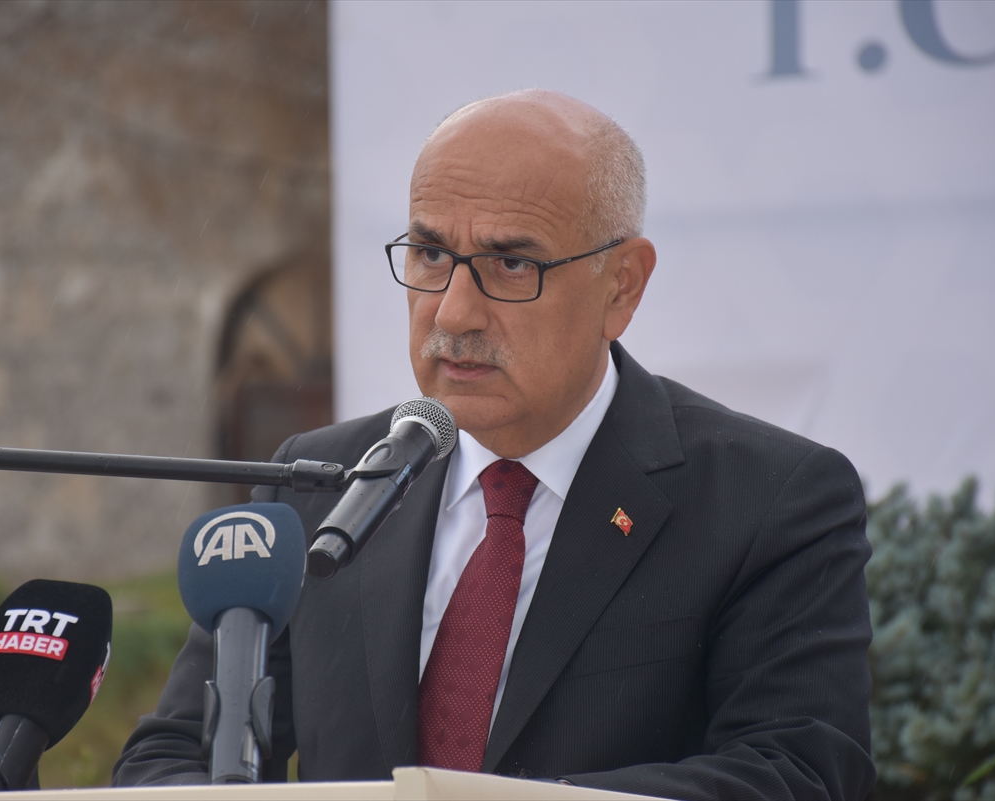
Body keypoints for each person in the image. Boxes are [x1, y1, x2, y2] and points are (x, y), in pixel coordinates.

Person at [113, 90, 876, 799]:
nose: (454, 312)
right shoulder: (319, 485)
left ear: (622, 285)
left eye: (512, 263)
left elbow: (797, 773)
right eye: (429, 254)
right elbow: (172, 754)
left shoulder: (769, 500)